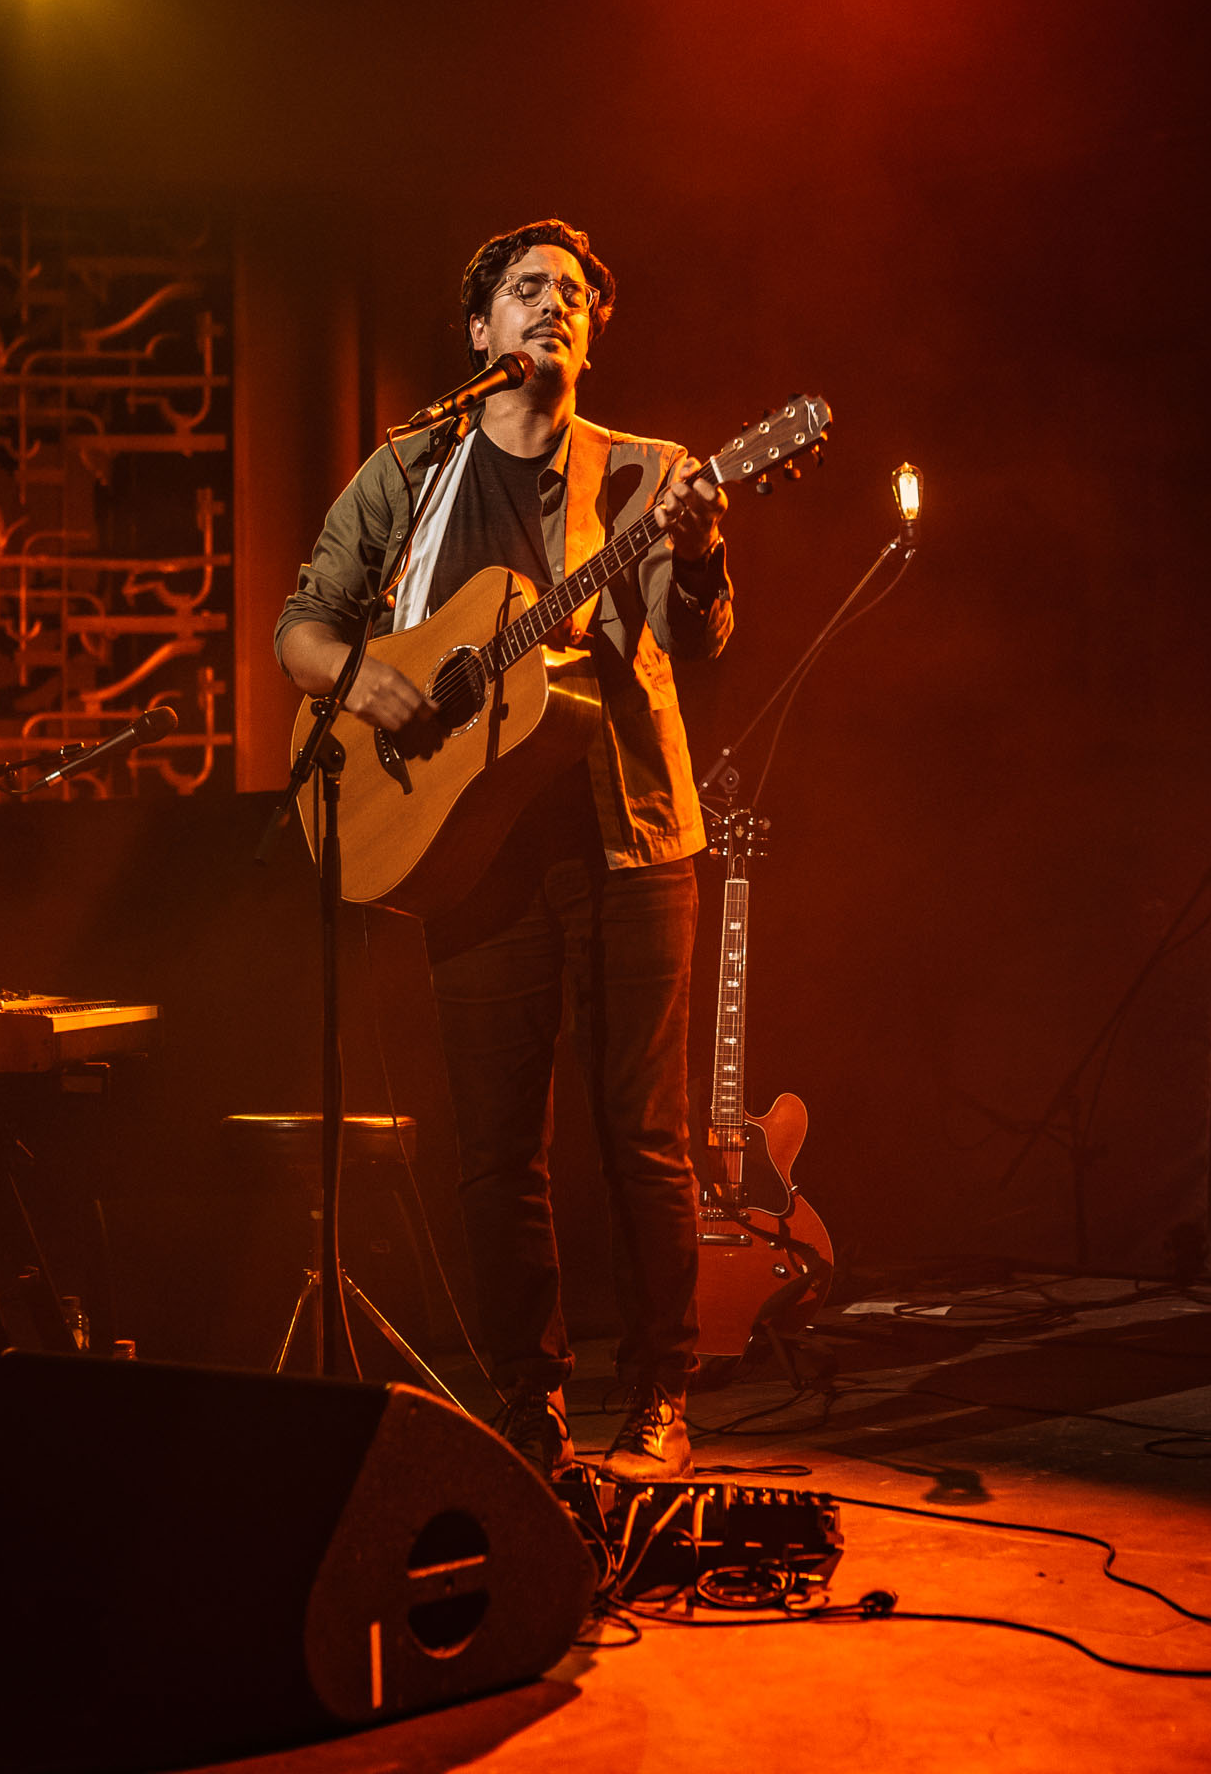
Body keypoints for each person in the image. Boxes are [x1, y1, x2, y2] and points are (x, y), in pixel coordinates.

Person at [274, 220, 731, 1482]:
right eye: (526, 289)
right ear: (480, 331)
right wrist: (372, 687)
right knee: (494, 1146)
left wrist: (697, 550)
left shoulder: (648, 471)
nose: (554, 305)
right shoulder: (409, 469)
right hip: (465, 846)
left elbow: (701, 635)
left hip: (629, 832)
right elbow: (302, 631)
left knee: (644, 1134)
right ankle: (523, 1401)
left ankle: (660, 1391)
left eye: (574, 292)